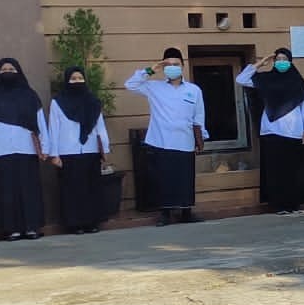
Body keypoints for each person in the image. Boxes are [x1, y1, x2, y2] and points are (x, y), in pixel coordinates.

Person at [125, 47, 207, 226]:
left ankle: (186, 212)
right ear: (163, 67)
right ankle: (165, 214)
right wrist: (150, 70)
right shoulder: (154, 87)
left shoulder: (194, 90)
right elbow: (130, 84)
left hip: (185, 140)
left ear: (183, 66)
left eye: (176, 64)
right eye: (168, 64)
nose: (172, 67)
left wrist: (201, 138)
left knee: (185, 179)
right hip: (161, 141)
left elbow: (199, 115)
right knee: (163, 179)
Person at [237, 48, 304, 215]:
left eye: (284, 58)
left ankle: (293, 205)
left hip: (294, 131)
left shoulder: (297, 81)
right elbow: (241, 79)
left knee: (293, 170)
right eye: (278, 59)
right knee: (276, 171)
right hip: (271, 130)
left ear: (290, 61)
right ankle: (279, 206)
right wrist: (261, 63)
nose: (281, 61)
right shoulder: (266, 79)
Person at [0, 57, 48, 241]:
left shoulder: (29, 95)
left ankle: (31, 227)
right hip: (3, 151)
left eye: (11, 68)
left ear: (18, 71)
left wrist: (44, 146)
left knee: (29, 190)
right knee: (7, 191)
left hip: (27, 149)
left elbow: (40, 121)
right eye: (3, 69)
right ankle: (12, 230)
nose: (7, 71)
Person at [46, 66, 111, 234]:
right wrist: (54, 154)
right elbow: (53, 128)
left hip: (90, 151)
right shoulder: (58, 102)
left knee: (91, 188)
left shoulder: (93, 102)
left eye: (80, 78)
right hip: (68, 152)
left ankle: (92, 222)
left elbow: (100, 127)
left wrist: (105, 148)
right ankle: (75, 224)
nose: (77, 81)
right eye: (73, 78)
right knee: (72, 190)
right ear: (67, 80)